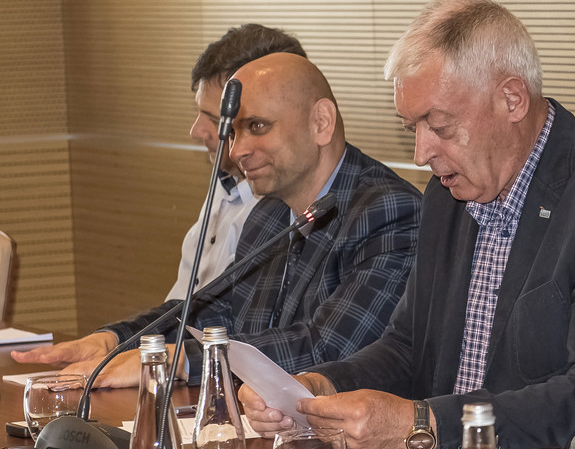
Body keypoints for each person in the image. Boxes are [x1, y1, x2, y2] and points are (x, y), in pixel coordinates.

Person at [240, 0, 575, 449]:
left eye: (439, 126)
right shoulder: (448, 195)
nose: (422, 153)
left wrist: (424, 424)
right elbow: (408, 348)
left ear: (512, 100)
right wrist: (319, 388)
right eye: (413, 128)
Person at [16, 52, 421, 385]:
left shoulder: (390, 212)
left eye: (257, 126)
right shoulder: (269, 214)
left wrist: (178, 361)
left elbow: (329, 348)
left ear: (321, 123)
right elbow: (210, 311)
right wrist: (116, 341)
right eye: (233, 132)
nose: (238, 150)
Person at [166, 24, 305, 300]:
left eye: (215, 120)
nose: (196, 131)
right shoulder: (226, 176)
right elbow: (183, 303)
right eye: (199, 112)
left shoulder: (287, 206)